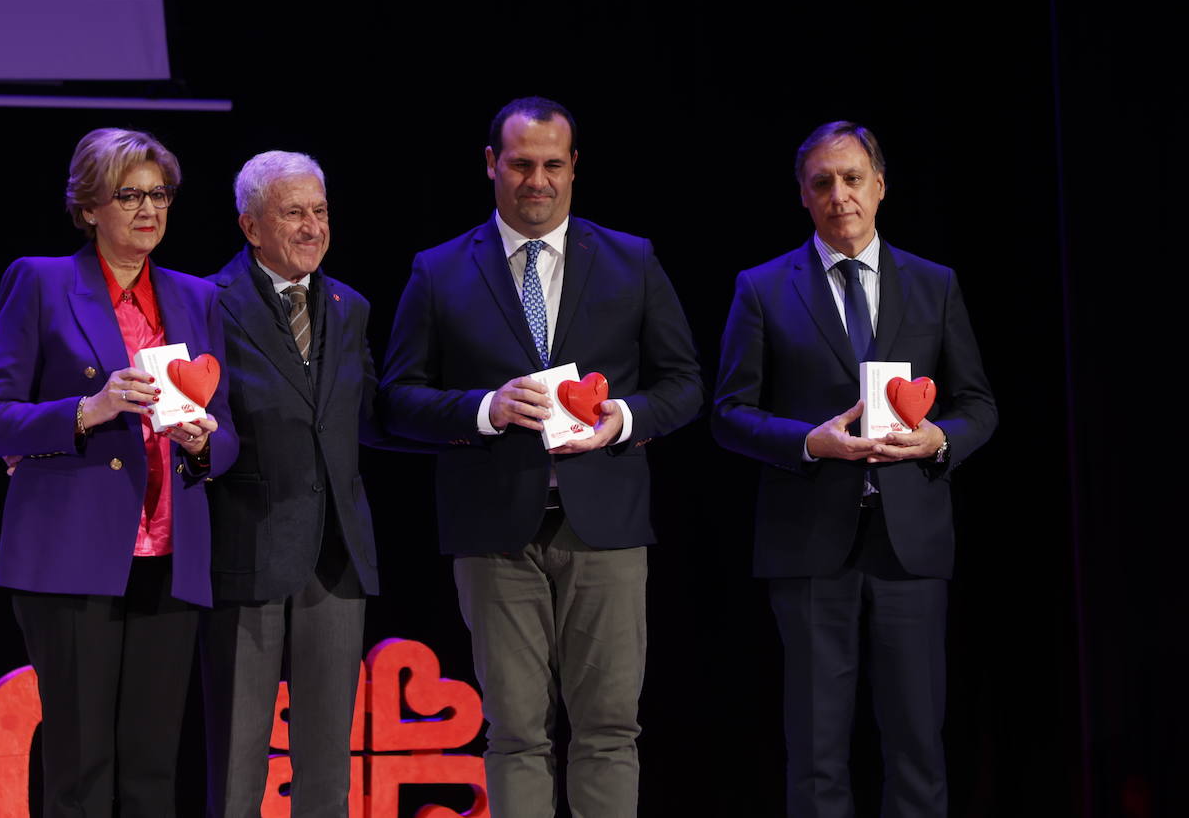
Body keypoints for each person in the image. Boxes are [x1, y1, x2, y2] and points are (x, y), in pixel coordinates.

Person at [378, 96, 704, 818]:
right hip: (494, 529)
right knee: (516, 732)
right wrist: (483, 410)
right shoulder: (437, 270)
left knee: (610, 728)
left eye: (553, 164)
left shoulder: (631, 259)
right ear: (491, 163)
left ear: (574, 168)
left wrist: (622, 418)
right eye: (521, 163)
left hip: (607, 526)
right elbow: (396, 397)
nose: (537, 180)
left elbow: (685, 385)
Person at [712, 121, 998, 817]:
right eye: (822, 183)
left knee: (917, 743)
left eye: (851, 179)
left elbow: (979, 405)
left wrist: (937, 439)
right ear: (804, 198)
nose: (838, 195)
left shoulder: (934, 285)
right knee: (815, 749)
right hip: (810, 541)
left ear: (880, 187)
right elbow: (728, 412)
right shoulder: (762, 288)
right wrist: (810, 443)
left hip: (911, 542)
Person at [0, 127, 234, 817]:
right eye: (129, 196)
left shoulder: (197, 296)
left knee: (152, 770)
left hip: (171, 558)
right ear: (89, 207)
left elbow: (228, 434)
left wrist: (205, 442)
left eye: (160, 195)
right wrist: (89, 408)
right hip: (72, 558)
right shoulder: (41, 282)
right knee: (81, 770)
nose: (149, 210)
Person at [199, 151, 394, 818]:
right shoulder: (206, 304)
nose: (312, 227)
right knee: (237, 760)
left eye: (320, 212)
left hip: (336, 556)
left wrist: (473, 418)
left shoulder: (350, 306)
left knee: (327, 763)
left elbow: (372, 414)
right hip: (246, 549)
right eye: (293, 213)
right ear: (251, 227)